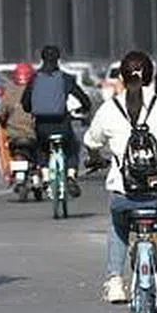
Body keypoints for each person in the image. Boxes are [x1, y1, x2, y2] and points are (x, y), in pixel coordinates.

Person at [83, 50, 157, 309]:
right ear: (151, 75)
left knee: (118, 226)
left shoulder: (110, 108)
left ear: (121, 77)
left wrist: (95, 158)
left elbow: (91, 141)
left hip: (125, 196)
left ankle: (114, 282)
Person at [20, 45, 91, 198]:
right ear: (58, 59)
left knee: (41, 148)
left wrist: (32, 109)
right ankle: (71, 176)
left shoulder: (34, 79)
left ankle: (46, 176)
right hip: (62, 124)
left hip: (42, 126)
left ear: (42, 59)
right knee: (72, 147)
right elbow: (83, 98)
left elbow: (25, 102)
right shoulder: (65, 78)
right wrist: (85, 108)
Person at [0, 61, 39, 161]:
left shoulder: (10, 91)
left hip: (14, 135)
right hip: (33, 135)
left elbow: (1, 113)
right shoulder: (37, 90)